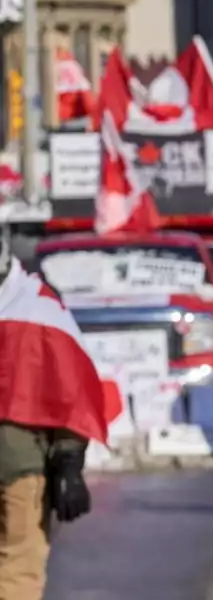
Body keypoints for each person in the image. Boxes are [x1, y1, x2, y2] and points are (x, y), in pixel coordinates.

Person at [0, 241, 108, 597]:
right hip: (18, 468)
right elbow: (69, 391)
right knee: (17, 571)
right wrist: (69, 463)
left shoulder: (38, 311)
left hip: (17, 468)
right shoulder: (40, 310)